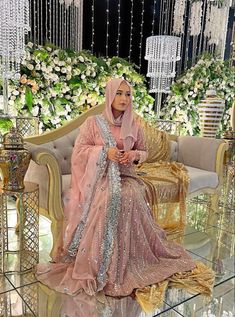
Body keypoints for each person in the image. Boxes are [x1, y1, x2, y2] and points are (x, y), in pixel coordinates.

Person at [36, 78, 196, 298]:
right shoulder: (93, 123)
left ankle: (128, 257)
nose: (123, 99)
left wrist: (133, 155)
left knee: (130, 194)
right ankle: (102, 263)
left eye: (128, 95)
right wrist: (105, 152)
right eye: (119, 94)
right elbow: (80, 151)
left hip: (126, 176)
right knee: (110, 196)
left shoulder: (135, 125)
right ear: (110, 96)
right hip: (99, 178)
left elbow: (144, 153)